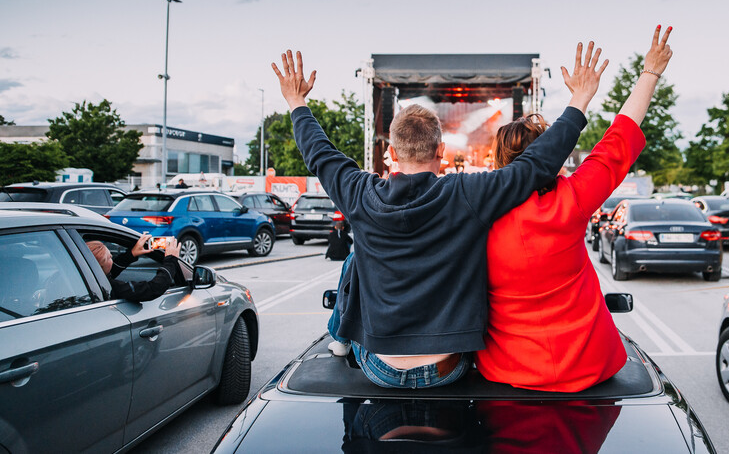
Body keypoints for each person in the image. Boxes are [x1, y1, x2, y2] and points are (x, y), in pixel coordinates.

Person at [271, 45, 601, 389]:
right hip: (448, 367)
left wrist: (297, 102)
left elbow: (319, 153)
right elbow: (535, 165)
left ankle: (338, 336)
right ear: (441, 151)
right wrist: (579, 100)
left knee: (356, 258)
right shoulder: (466, 194)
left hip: (378, 366)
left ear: (393, 153)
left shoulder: (359, 193)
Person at [475, 25, 673, 392]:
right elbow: (622, 134)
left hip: (507, 371)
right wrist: (651, 71)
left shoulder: (477, 210)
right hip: (589, 368)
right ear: (551, 155)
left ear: (499, 161)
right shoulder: (574, 197)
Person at [87, 235, 184, 301]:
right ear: (100, 266)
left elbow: (109, 270)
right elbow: (153, 288)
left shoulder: (89, 279)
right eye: (109, 258)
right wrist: (170, 260)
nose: (112, 258)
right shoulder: (112, 288)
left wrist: (131, 254)